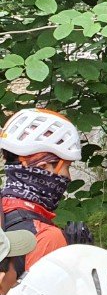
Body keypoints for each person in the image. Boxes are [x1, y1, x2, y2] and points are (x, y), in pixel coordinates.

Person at [1, 108, 82, 277]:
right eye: (67, 167)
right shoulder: (46, 237)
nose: (68, 177)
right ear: (42, 168)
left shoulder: (4, 208)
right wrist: (79, 261)